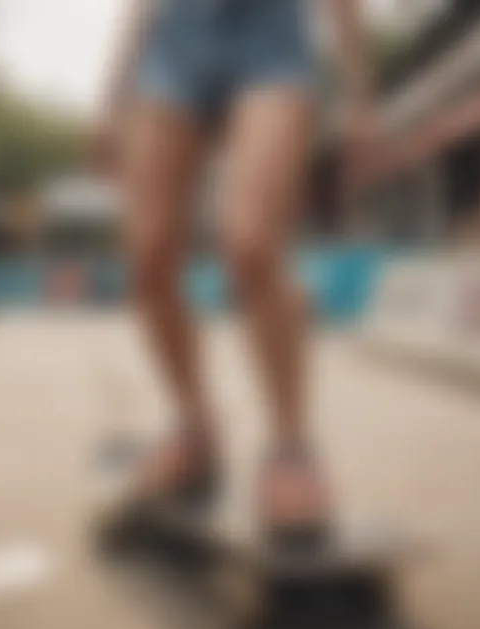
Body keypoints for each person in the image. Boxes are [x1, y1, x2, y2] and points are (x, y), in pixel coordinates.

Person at [93, 0, 373, 543]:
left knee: (252, 246)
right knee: (148, 256)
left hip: (271, 44)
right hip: (173, 50)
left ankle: (291, 447)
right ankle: (195, 428)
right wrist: (110, 100)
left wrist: (359, 91)